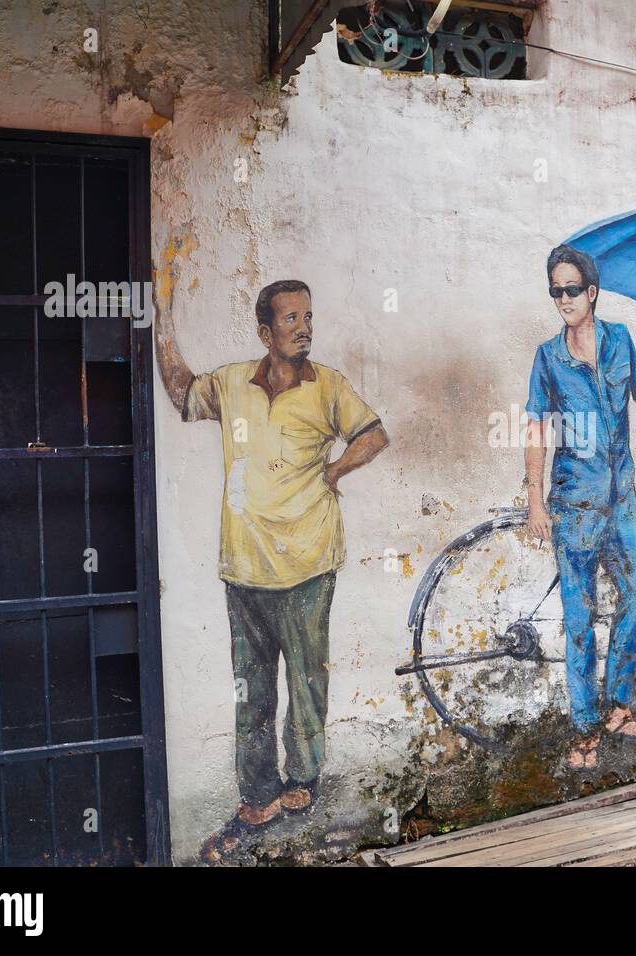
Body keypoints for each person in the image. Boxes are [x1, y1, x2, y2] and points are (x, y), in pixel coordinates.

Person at [153, 271, 389, 860]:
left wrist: (334, 472)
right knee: (251, 690)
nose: (303, 328)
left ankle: (302, 783)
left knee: (307, 682)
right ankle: (257, 797)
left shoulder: (327, 385)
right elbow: (181, 391)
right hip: (245, 566)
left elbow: (373, 434)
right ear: (265, 331)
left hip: (309, 563)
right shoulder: (232, 383)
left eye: (307, 318)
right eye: (291, 319)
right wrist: (163, 311)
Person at [523, 245, 636, 770]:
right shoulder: (547, 358)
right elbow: (535, 428)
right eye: (555, 290)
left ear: (592, 293)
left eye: (571, 290)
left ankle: (617, 706)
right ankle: (584, 729)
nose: (563, 300)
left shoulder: (619, 339)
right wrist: (535, 500)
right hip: (575, 501)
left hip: (620, 497)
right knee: (580, 618)